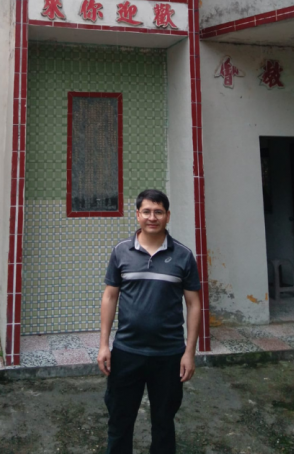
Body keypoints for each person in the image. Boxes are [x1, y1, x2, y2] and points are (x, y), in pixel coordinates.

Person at [99, 189, 201, 454]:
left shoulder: (183, 255)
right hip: (127, 352)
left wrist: (189, 352)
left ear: (168, 216)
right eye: (146, 211)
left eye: (158, 212)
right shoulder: (121, 252)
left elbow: (194, 304)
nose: (152, 217)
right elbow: (110, 297)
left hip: (168, 354)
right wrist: (103, 345)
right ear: (137, 215)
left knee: (164, 423)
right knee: (120, 422)